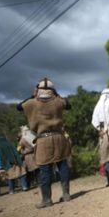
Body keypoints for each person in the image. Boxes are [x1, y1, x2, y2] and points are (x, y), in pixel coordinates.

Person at [17, 78, 72, 208]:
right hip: (59, 137)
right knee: (62, 164)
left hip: (43, 139)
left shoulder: (31, 103)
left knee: (45, 169)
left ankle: (47, 200)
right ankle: (66, 194)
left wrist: (34, 94)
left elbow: (19, 106)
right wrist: (55, 93)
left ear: (38, 90)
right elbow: (68, 105)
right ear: (52, 91)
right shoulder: (58, 101)